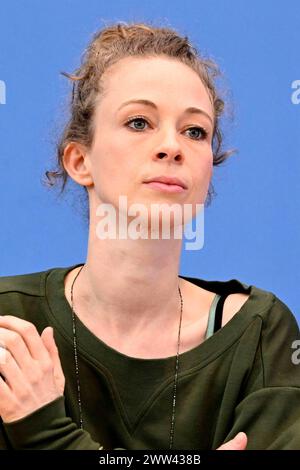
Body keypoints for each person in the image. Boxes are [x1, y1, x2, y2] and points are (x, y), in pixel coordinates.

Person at [0, 21, 299, 451]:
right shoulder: (12, 328)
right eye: (139, 122)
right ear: (79, 160)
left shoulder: (262, 335)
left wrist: (45, 434)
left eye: (195, 131)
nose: (171, 146)